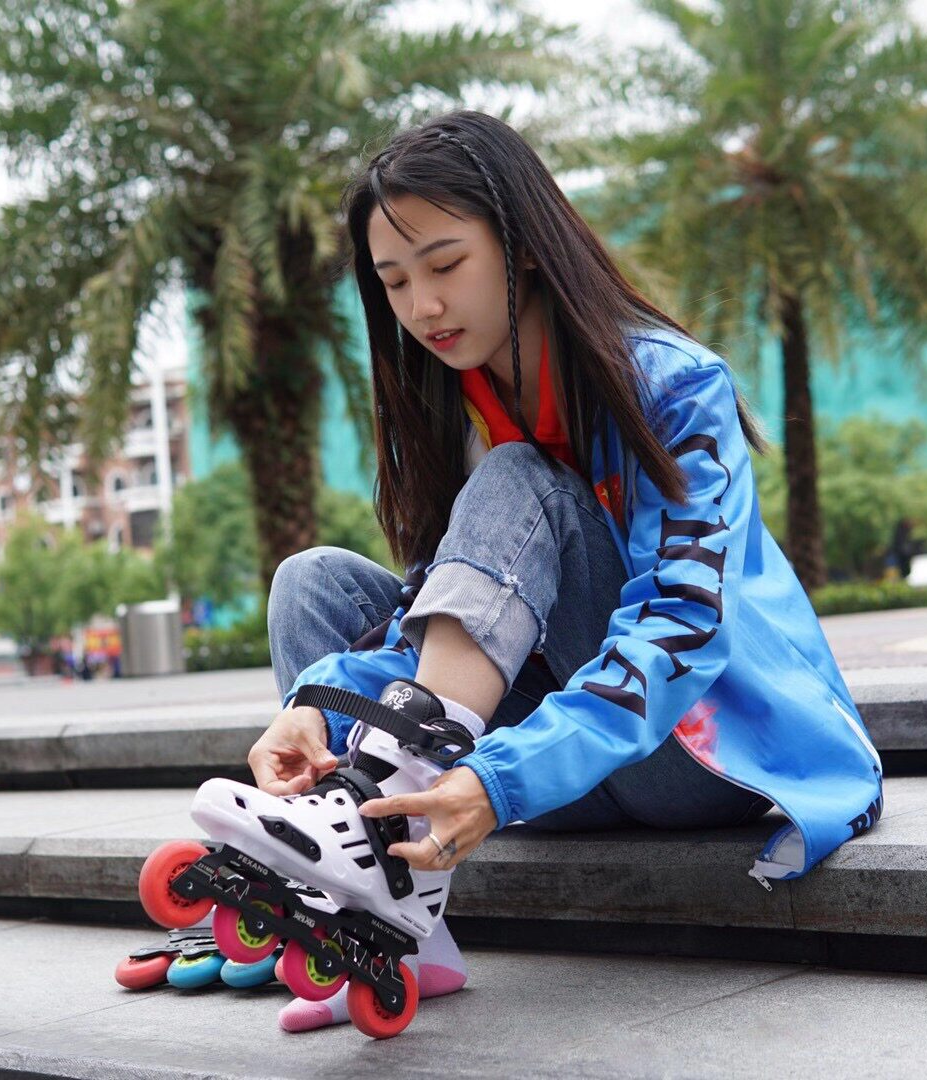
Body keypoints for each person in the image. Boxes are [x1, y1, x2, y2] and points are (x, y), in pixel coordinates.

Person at [249, 110, 884, 1032]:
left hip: (697, 755)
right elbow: (436, 611)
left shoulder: (673, 385)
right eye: (394, 282)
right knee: (312, 581)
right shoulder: (455, 411)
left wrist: (503, 776)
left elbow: (684, 622)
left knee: (522, 476)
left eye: (444, 264)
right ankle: (387, 929)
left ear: (525, 247)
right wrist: (320, 704)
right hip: (532, 772)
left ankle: (385, 782)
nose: (422, 307)